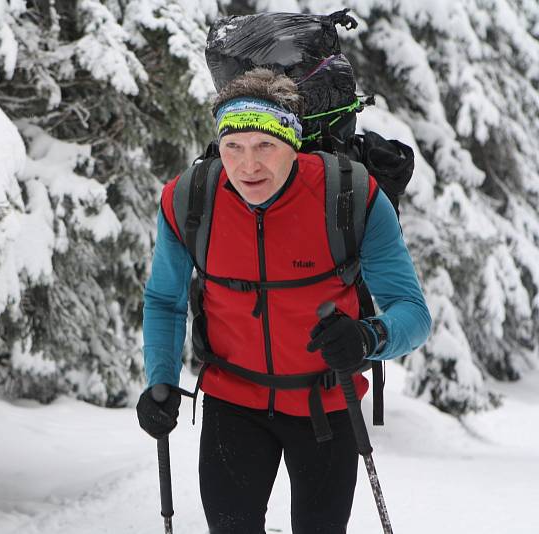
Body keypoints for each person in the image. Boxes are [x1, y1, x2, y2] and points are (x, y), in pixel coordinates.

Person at [136, 68, 432, 534]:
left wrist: (367, 336)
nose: (248, 165)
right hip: (232, 403)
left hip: (327, 407)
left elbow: (412, 312)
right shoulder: (190, 200)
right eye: (234, 146)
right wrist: (161, 380)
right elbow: (164, 300)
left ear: (293, 144)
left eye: (265, 146)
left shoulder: (350, 197)